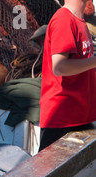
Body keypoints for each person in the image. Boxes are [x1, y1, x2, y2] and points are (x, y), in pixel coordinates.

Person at [38, 0, 96, 151]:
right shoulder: (64, 19)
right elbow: (59, 66)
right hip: (61, 121)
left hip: (79, 117)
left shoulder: (80, 21)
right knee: (52, 174)